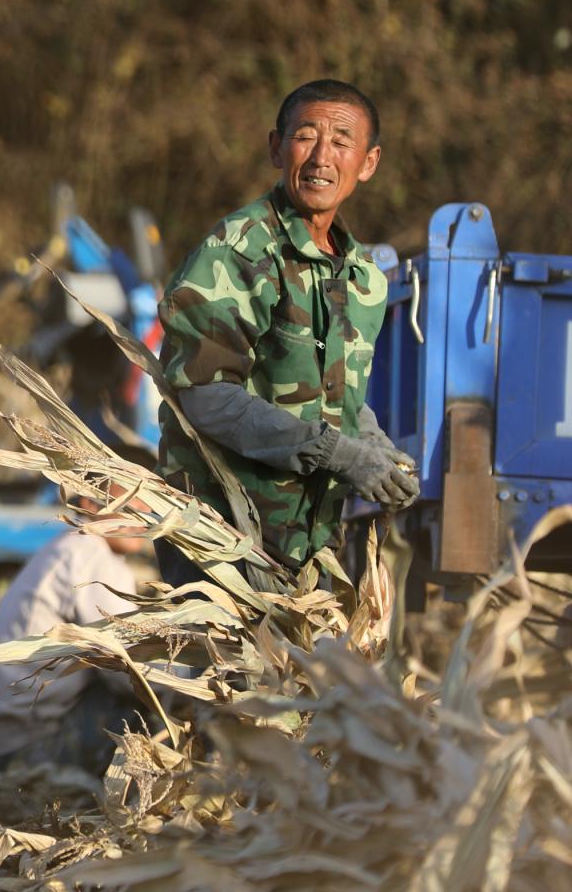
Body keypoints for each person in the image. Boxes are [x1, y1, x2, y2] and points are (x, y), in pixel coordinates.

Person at [155, 79, 416, 585]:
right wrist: (339, 454)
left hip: (311, 544)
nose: (322, 157)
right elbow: (205, 395)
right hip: (220, 537)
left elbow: (334, 391)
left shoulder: (364, 279)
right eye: (306, 136)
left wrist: (374, 449)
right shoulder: (239, 251)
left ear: (368, 163)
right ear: (277, 148)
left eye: (342, 142)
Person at [0, 523, 145, 774]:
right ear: (89, 501)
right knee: (147, 693)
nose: (143, 512)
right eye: (129, 499)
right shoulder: (92, 556)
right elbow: (134, 667)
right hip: (21, 751)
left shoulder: (68, 546)